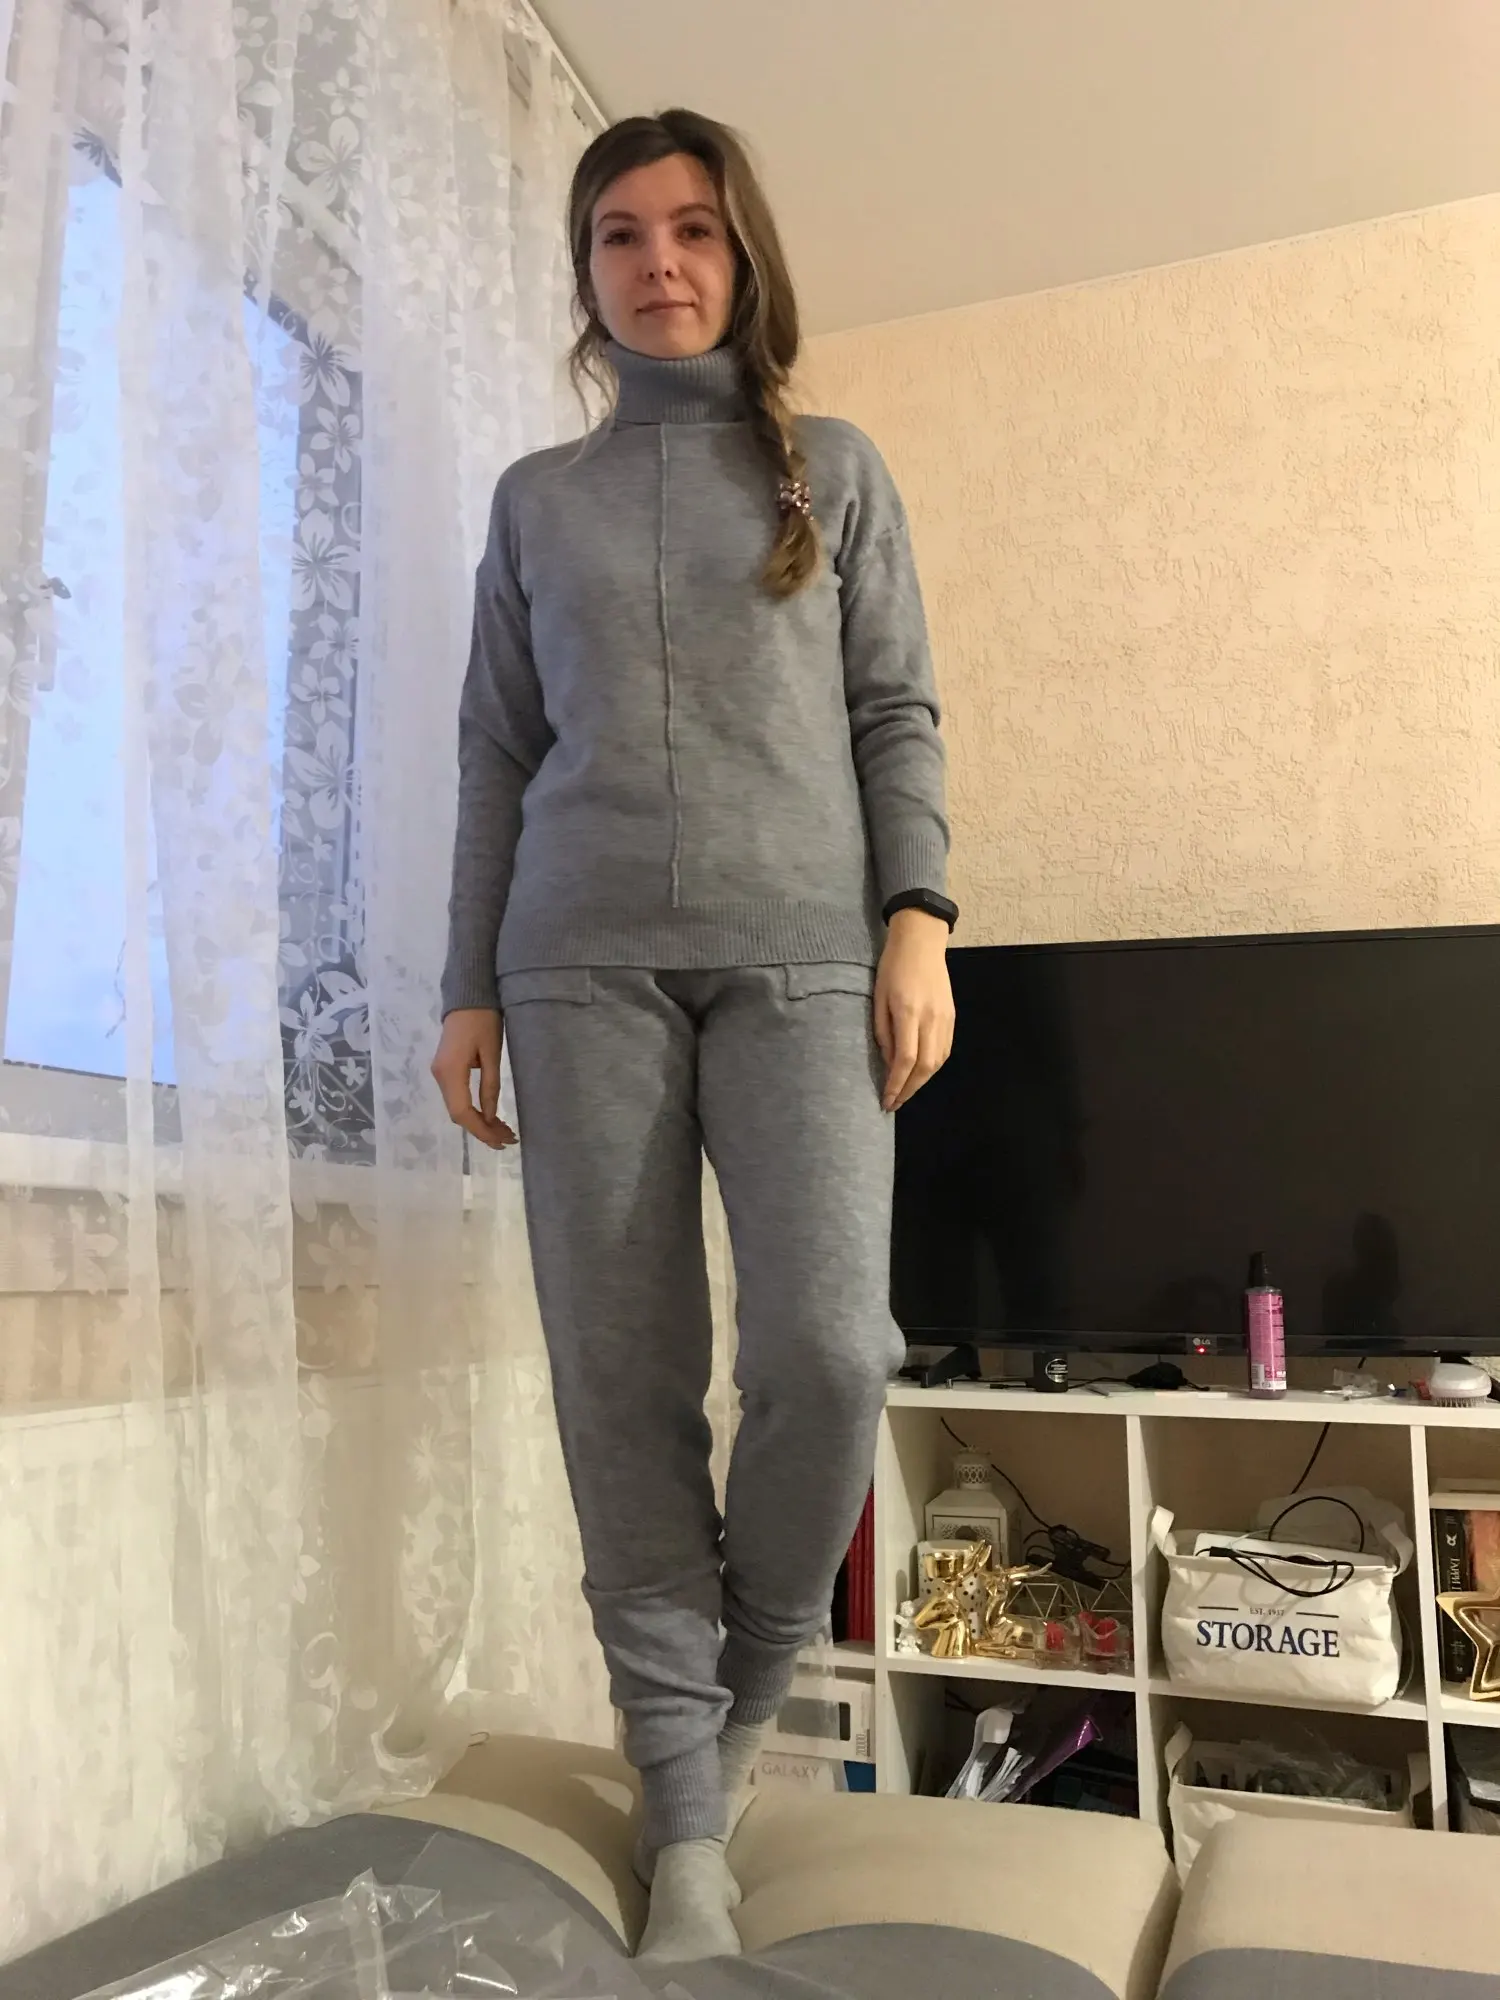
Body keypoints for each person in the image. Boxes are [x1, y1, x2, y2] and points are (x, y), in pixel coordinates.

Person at [431, 108, 955, 1963]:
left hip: (805, 960)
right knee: (622, 1376)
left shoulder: (839, 471)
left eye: (695, 230)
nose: (659, 262)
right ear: (587, 274)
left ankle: (732, 1716)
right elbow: (496, 751)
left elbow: (895, 710)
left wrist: (919, 918)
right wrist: (467, 985)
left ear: (744, 258)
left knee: (830, 1350)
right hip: (576, 969)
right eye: (621, 235)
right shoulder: (536, 501)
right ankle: (684, 1815)